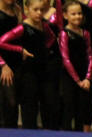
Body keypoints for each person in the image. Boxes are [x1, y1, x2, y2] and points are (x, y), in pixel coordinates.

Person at [0, 0, 60, 129]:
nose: (39, 13)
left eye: (41, 10)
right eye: (36, 10)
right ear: (28, 10)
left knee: (45, 102)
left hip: (36, 68)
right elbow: (2, 42)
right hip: (20, 69)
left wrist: (44, 51)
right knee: (19, 104)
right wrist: (19, 51)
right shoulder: (22, 26)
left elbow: (51, 38)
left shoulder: (39, 23)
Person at [58, 0, 92, 131]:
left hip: (83, 76)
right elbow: (65, 58)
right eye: (73, 14)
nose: (77, 16)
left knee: (81, 109)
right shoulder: (64, 33)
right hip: (69, 76)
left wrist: (88, 78)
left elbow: (90, 55)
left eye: (79, 13)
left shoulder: (86, 33)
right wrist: (78, 80)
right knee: (69, 107)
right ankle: (66, 136)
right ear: (65, 15)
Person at [0, 0, 21, 127]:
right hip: (3, 63)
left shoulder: (16, 10)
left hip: (15, 62)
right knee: (9, 102)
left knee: (14, 104)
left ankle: (13, 135)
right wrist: (3, 65)